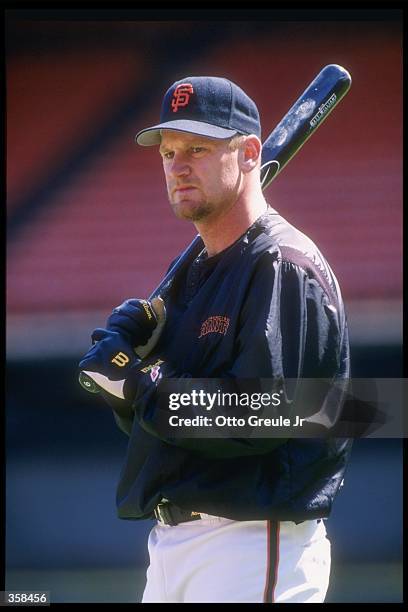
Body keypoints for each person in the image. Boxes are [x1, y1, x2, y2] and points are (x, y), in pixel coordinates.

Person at [78, 76, 352, 603]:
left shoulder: (281, 265)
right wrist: (123, 377)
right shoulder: (195, 275)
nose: (177, 165)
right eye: (169, 151)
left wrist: (144, 390)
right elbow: (166, 417)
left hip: (252, 542)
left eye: (198, 148)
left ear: (250, 153)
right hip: (173, 544)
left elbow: (266, 413)